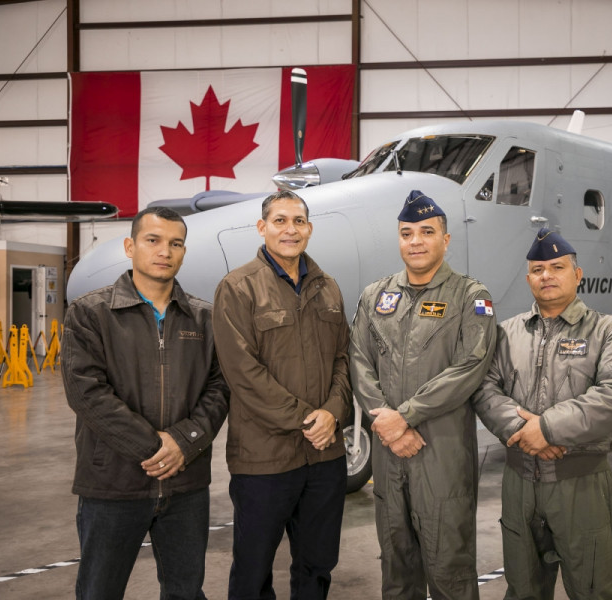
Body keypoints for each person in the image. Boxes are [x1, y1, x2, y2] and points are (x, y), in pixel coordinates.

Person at [62, 206, 230, 600]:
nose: (164, 252)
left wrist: (184, 442)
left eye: (175, 244)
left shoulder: (204, 319)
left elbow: (220, 387)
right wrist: (157, 448)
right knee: (99, 591)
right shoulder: (90, 313)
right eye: (153, 240)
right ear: (130, 246)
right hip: (112, 486)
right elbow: (86, 393)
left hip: (185, 486)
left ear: (184, 252)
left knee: (186, 592)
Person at [473, 227, 612, 600]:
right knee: (523, 590)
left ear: (577, 275)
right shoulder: (506, 333)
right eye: (537, 269)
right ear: (529, 277)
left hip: (580, 485)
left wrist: (547, 429)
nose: (546, 275)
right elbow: (484, 388)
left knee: (594, 590)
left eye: (557, 267)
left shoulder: (607, 331)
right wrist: (524, 430)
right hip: (519, 486)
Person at [349, 189, 497, 600]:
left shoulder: (471, 297)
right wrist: (386, 421)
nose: (415, 241)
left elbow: (470, 366)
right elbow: (358, 360)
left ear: (445, 240)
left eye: (426, 232)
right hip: (388, 450)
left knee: (449, 569)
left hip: (442, 455)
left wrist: (405, 416)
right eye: (407, 232)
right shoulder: (375, 296)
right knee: (396, 569)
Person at [213, 189, 352, 599]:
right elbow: (242, 373)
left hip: (325, 458)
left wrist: (333, 413)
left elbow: (345, 360)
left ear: (308, 229)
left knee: (318, 565)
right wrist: (310, 420)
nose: (290, 229)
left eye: (298, 221)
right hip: (264, 460)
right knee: (253, 570)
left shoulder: (329, 288)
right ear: (262, 227)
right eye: (280, 221)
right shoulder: (238, 288)